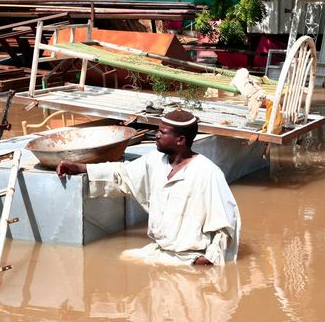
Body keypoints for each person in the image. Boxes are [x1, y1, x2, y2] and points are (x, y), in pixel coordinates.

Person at [57, 109, 241, 266]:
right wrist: (81, 168)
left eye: (163, 132)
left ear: (180, 140)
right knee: (121, 259)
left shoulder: (207, 173)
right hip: (158, 251)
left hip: (191, 259)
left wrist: (209, 259)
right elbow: (122, 174)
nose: (157, 135)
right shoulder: (155, 161)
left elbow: (226, 223)